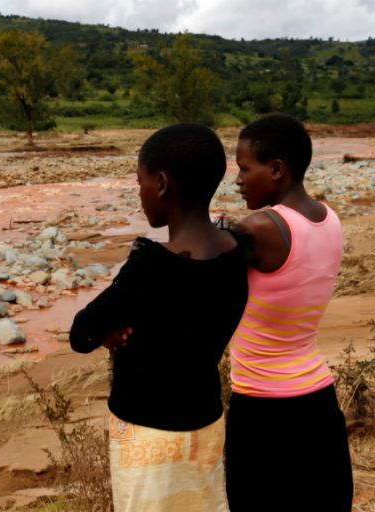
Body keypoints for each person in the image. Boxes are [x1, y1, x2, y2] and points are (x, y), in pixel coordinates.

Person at [70, 123, 248, 512]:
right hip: (205, 422)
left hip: (148, 435)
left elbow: (81, 333)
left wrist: (107, 332)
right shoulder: (236, 254)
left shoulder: (150, 266)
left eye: (141, 182)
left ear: (162, 184)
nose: (140, 193)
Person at [225, 113, 353, 511]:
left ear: (277, 169)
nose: (238, 180)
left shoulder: (262, 228)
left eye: (245, 168)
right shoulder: (329, 219)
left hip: (263, 412)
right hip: (318, 401)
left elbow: (196, 270)